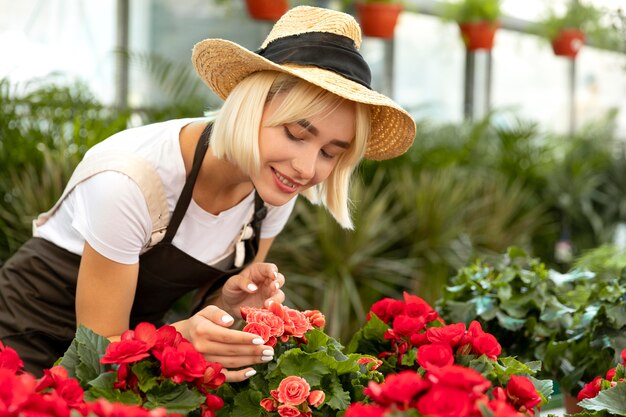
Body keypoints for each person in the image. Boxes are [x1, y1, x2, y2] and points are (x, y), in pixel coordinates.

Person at [0, 5, 415, 380]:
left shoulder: (272, 190)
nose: (307, 169)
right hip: (22, 344)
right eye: (294, 134)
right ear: (250, 105)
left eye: (329, 152)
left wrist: (230, 301)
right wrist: (179, 339)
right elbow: (97, 354)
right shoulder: (129, 180)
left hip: (122, 363)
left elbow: (161, 337)